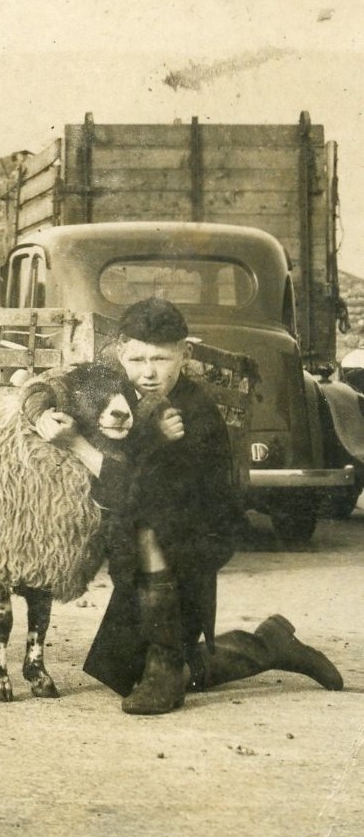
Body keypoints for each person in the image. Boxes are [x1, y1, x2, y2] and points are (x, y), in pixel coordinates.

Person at [35, 295, 343, 714]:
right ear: (121, 352)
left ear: (185, 353)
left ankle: (167, 665)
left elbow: (137, 493)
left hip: (194, 540)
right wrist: (41, 413)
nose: (148, 372)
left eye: (161, 359)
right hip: (143, 553)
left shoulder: (194, 414)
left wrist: (76, 444)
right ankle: (270, 644)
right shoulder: (123, 392)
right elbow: (58, 385)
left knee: (149, 523)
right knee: (120, 673)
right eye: (138, 358)